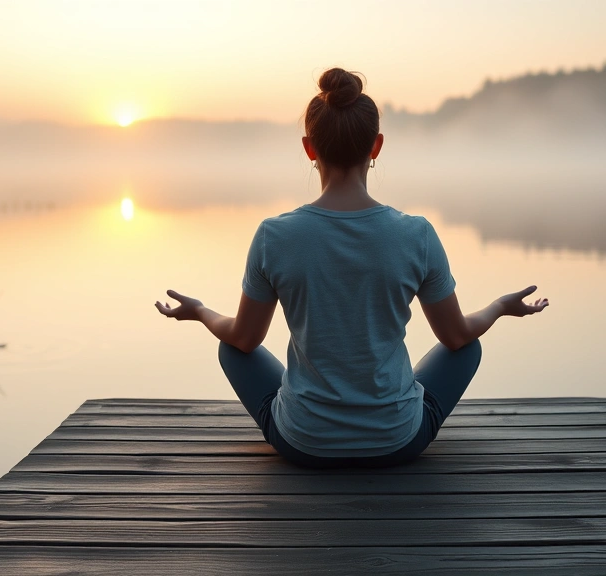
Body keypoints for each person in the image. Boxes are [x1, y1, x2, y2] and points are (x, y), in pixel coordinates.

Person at [155, 68, 549, 468]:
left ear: (310, 148)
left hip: (304, 444)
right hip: (397, 442)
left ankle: (315, 417)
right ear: (376, 147)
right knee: (468, 349)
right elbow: (456, 336)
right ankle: (385, 410)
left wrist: (201, 312)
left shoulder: (274, 236)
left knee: (231, 350)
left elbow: (244, 339)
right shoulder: (417, 235)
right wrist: (499, 307)